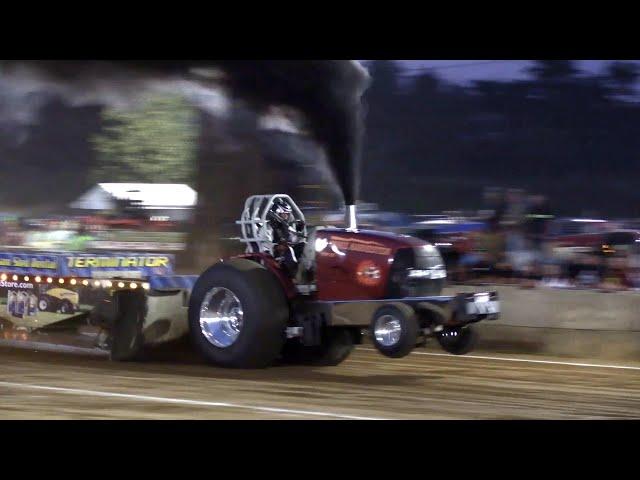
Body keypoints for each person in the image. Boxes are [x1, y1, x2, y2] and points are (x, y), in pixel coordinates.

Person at [266, 198, 306, 277]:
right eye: (284, 214)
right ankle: (294, 275)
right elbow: (265, 243)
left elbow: (294, 240)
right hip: (275, 254)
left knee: (304, 245)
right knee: (289, 250)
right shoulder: (269, 226)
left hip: (287, 249)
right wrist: (276, 246)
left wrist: (299, 230)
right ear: (276, 214)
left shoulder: (286, 227)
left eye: (287, 214)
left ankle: (307, 271)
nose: (286, 216)